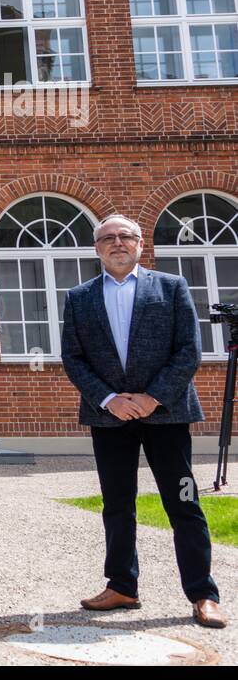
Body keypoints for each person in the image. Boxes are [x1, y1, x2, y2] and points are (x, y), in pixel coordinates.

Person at [61, 213, 225, 628]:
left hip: (167, 415)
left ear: (140, 244)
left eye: (126, 236)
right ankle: (122, 586)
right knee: (117, 505)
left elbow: (188, 350)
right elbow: (73, 358)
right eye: (108, 238)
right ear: (97, 248)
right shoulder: (79, 296)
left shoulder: (171, 288)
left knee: (184, 502)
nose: (117, 243)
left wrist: (153, 397)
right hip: (109, 417)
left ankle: (203, 594)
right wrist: (109, 399)